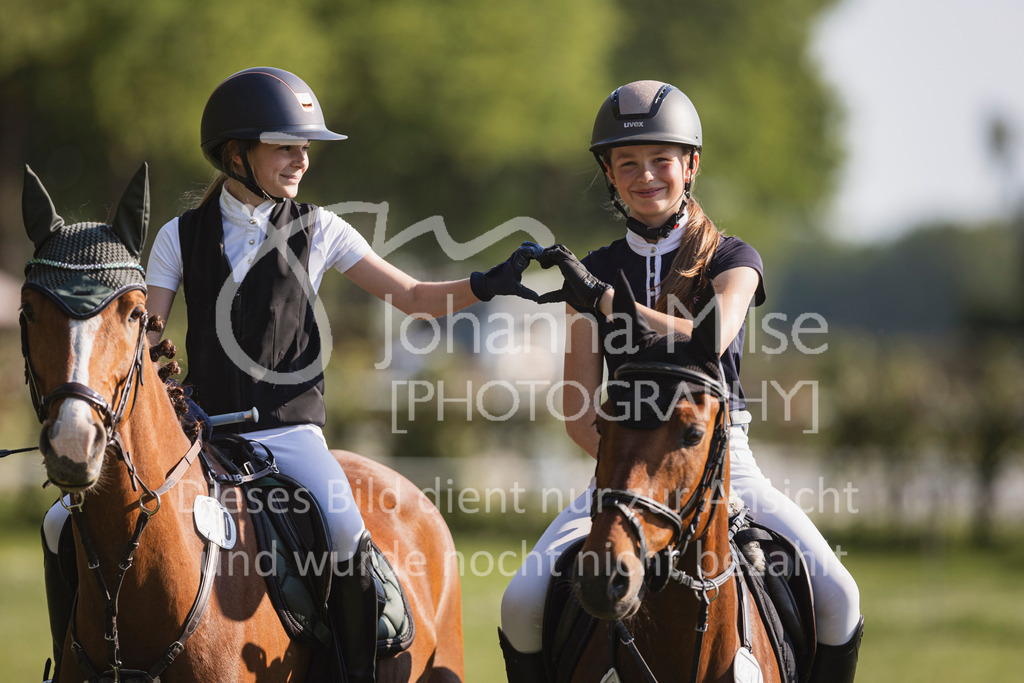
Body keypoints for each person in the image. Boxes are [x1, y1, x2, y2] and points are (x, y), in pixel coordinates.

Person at [40, 66, 540, 683]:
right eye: (287, 146)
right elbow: (148, 334)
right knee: (61, 521)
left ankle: (355, 671)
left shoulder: (320, 229)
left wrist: (487, 285)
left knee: (344, 530)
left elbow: (412, 296)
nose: (302, 160)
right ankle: (71, 663)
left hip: (290, 436)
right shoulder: (178, 235)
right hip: (203, 437)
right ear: (237, 153)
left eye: (305, 148)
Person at [497, 80, 864, 683]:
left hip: (723, 459)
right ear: (610, 176)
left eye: (660, 161)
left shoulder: (733, 259)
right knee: (520, 603)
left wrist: (605, 302)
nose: (646, 176)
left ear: (690, 165)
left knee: (839, 597)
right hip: (621, 465)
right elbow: (576, 409)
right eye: (628, 165)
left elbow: (708, 335)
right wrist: (634, 473)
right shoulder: (593, 272)